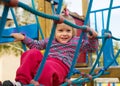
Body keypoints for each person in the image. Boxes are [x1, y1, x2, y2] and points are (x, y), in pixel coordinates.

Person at [3, 14, 98, 86]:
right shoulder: (50, 40)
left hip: (60, 69)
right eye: (60, 31)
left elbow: (92, 48)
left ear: (73, 32)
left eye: (68, 31)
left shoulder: (77, 42)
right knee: (31, 52)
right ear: (54, 31)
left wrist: (93, 38)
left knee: (47, 66)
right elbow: (35, 45)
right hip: (45, 63)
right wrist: (24, 38)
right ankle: (21, 82)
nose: (64, 34)